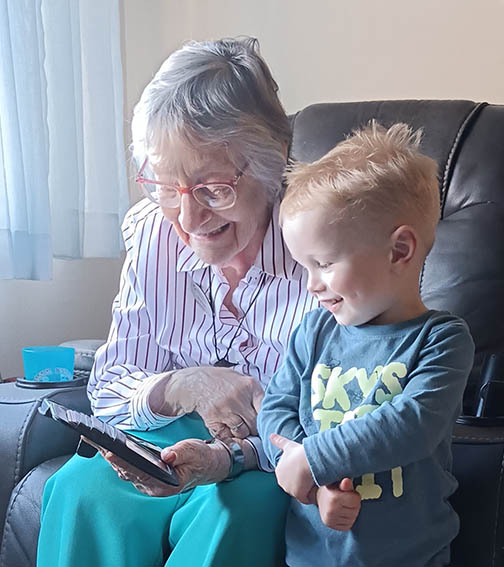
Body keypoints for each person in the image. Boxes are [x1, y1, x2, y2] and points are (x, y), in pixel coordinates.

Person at [37, 37, 361, 567]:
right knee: (80, 490)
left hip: (272, 456)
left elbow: (338, 413)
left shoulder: (325, 244)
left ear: (271, 164)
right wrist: (179, 384)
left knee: (234, 509)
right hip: (165, 439)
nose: (188, 221)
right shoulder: (151, 231)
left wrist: (230, 456)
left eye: (213, 187)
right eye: (167, 187)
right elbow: (113, 383)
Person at [257, 122, 475, 567]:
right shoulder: (313, 331)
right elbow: (276, 408)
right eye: (304, 266)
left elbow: (413, 424)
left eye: (324, 263)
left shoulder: (442, 340)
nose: (312, 284)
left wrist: (315, 458)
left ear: (399, 251)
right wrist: (314, 485)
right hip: (312, 556)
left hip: (410, 556)